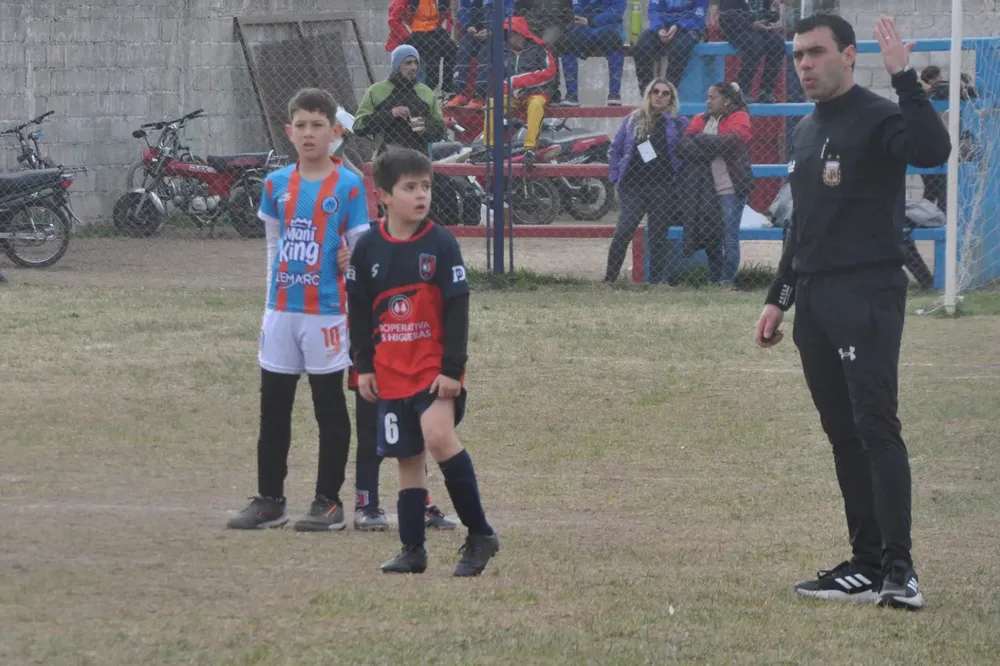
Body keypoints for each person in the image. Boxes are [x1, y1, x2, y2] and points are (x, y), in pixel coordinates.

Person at [754, 14, 950, 611]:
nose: (805, 65)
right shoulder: (807, 131)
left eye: (815, 53)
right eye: (797, 56)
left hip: (866, 294)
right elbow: (802, 226)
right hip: (813, 300)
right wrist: (777, 296)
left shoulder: (880, 114)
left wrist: (903, 79)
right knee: (842, 434)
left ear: (847, 54)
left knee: (874, 427)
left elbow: (932, 149)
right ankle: (865, 564)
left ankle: (900, 571)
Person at [346, 148, 500, 576]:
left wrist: (453, 368)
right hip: (390, 372)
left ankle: (481, 533)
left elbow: (458, 306)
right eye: (409, 187)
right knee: (408, 457)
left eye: (426, 187)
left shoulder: (441, 243)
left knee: (438, 438)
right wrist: (364, 366)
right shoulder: (368, 248)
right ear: (383, 196)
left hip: (434, 372)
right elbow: (357, 310)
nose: (421, 196)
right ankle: (413, 549)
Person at [227, 88, 371, 532]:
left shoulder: (348, 185)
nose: (309, 134)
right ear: (289, 132)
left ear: (333, 132)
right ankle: (270, 499)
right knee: (274, 408)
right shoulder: (275, 184)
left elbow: (360, 252)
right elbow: (274, 247)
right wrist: (270, 306)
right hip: (282, 313)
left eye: (318, 125)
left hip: (326, 313)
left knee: (328, 408)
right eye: (301, 126)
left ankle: (328, 502)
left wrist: (351, 263)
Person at [604, 79, 688, 283]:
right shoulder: (632, 119)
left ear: (671, 98)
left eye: (665, 93)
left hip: (664, 187)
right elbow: (615, 149)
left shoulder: (679, 122)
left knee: (658, 237)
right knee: (623, 232)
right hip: (633, 187)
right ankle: (610, 279)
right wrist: (615, 176)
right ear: (649, 95)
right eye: (655, 91)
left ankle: (655, 281)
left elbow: (686, 154)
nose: (659, 96)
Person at [680, 81, 753, 286]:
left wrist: (700, 139)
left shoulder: (740, 117)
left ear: (727, 100)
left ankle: (727, 280)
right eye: (708, 97)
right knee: (712, 236)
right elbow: (683, 145)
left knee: (729, 235)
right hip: (706, 190)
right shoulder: (701, 119)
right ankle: (714, 279)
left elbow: (732, 142)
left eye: (713, 97)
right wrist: (712, 145)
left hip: (731, 186)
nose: (708, 101)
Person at [483, 16, 558, 167]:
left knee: (536, 105)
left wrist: (516, 82)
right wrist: (508, 85)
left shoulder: (539, 48)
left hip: (536, 93)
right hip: (512, 97)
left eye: (516, 34)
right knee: (492, 104)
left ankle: (529, 149)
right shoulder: (503, 52)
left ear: (523, 33)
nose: (512, 39)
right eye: (509, 35)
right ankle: (489, 148)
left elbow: (550, 72)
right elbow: (498, 79)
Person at [354, 45, 448, 158]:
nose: (413, 67)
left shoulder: (426, 93)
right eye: (408, 63)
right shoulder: (376, 91)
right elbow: (358, 127)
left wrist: (424, 130)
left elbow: (441, 129)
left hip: (419, 162)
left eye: (415, 63)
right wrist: (391, 114)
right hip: (385, 162)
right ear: (397, 66)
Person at [551, 0, 627, 107]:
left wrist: (590, 20)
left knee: (614, 38)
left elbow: (615, 13)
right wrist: (579, 15)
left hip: (610, 28)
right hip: (585, 28)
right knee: (566, 40)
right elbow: (577, 7)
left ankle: (614, 94)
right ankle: (572, 95)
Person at [715, 0, 786, 103]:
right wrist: (750, 23)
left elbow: (773, 18)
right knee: (755, 44)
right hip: (737, 28)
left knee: (777, 44)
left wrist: (774, 10)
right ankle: (742, 91)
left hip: (758, 28)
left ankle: (765, 91)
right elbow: (726, 18)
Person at [633, 0, 710, 95]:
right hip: (663, 27)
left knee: (679, 47)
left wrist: (679, 26)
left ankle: (669, 90)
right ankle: (646, 89)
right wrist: (659, 28)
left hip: (689, 27)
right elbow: (654, 11)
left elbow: (699, 17)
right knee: (643, 43)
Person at [385, 0, 457, 95]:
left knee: (452, 49)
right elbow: (393, 20)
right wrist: (408, 35)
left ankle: (447, 89)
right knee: (433, 49)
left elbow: (448, 17)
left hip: (433, 32)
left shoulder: (441, 2)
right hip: (413, 34)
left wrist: (446, 30)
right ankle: (430, 88)